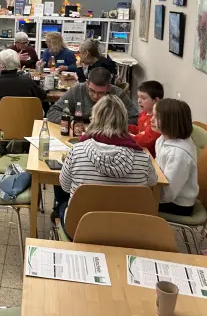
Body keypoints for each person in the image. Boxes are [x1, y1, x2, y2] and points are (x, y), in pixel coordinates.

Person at [54, 95, 158, 228]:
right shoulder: (142, 158)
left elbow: (65, 186)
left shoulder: (77, 151)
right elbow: (152, 182)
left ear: (94, 119)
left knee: (62, 204)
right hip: (127, 230)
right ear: (124, 120)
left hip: (81, 228)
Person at [0, 49, 47, 161]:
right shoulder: (27, 80)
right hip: (28, 121)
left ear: (3, 66)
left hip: (4, 122)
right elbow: (43, 96)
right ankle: (29, 145)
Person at [152, 99, 198, 216]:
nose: (151, 120)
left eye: (157, 117)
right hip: (164, 193)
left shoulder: (178, 154)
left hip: (178, 204)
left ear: (171, 122)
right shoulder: (162, 139)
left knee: (133, 200)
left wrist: (147, 192)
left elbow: (168, 195)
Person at [47, 67, 138, 125]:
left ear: (109, 87)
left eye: (101, 93)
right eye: (92, 91)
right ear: (87, 83)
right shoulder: (77, 90)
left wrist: (109, 123)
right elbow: (52, 112)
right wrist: (73, 122)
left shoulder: (118, 94)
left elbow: (135, 118)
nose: (95, 96)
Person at [128, 80, 164, 157]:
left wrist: (126, 137)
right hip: (141, 151)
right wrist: (125, 127)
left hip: (151, 157)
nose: (139, 101)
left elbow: (146, 139)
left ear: (156, 100)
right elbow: (140, 130)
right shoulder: (143, 113)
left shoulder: (157, 120)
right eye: (138, 97)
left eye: (143, 98)